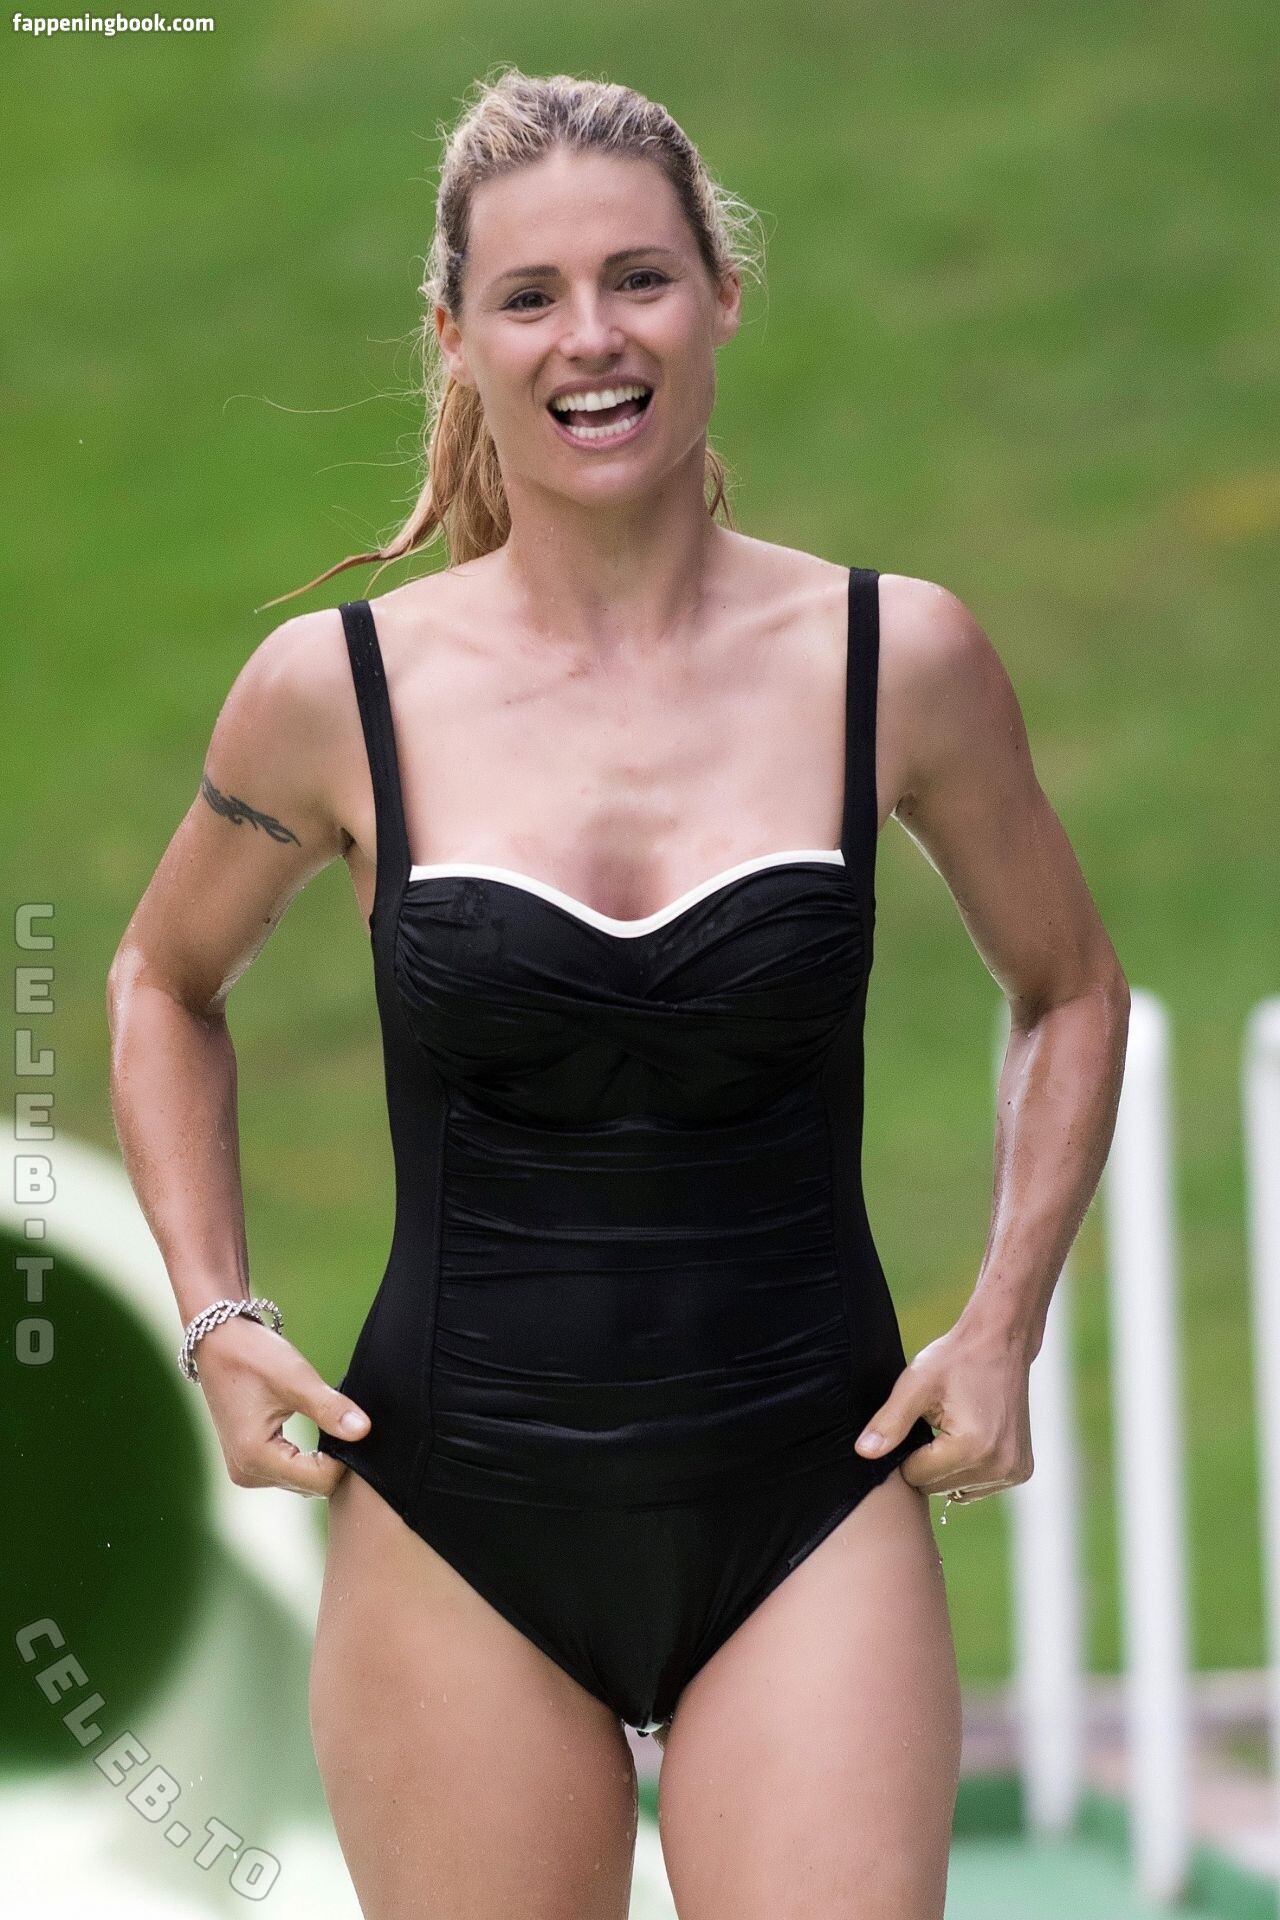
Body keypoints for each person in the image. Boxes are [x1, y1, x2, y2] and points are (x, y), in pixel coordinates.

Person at [107, 66, 1130, 1920]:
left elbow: (1068, 988)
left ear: (722, 296)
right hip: (454, 1523)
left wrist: (1004, 1321)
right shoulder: (337, 693)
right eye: (531, 295)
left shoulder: (894, 658)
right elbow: (161, 979)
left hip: (813, 1499)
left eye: (639, 278)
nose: (592, 337)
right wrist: (215, 1314)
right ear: (457, 336)